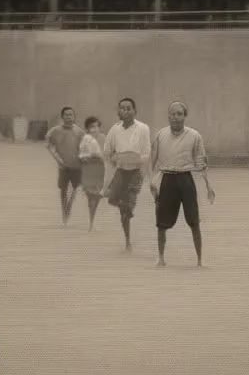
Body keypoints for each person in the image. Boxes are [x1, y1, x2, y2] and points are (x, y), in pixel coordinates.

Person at [150, 102, 215, 267]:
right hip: (166, 179)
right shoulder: (160, 135)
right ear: (168, 116)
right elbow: (153, 159)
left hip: (185, 179)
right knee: (161, 222)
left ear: (185, 116)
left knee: (194, 220)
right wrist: (152, 182)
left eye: (179, 114)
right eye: (172, 114)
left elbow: (201, 161)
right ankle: (161, 258)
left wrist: (208, 184)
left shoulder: (194, 136)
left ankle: (200, 260)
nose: (175, 117)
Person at [104, 97, 152, 252]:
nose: (125, 111)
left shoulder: (143, 128)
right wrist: (115, 158)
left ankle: (128, 241)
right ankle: (127, 232)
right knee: (114, 202)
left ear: (135, 111)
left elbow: (147, 152)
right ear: (119, 111)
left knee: (129, 201)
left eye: (129, 108)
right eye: (122, 108)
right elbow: (107, 151)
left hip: (136, 172)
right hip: (121, 171)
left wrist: (136, 158)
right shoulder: (114, 130)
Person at [46, 106, 85, 226]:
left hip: (76, 166)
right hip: (63, 166)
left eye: (71, 115)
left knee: (74, 189)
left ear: (74, 117)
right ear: (62, 117)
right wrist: (56, 158)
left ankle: (68, 207)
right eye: (67, 115)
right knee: (63, 190)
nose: (69, 117)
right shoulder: (55, 131)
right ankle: (64, 210)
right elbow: (49, 145)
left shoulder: (79, 132)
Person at [78, 116, 107, 232]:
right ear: (87, 129)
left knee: (98, 195)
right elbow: (82, 155)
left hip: (101, 169)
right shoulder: (86, 139)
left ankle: (94, 219)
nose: (95, 129)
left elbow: (108, 153)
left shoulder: (104, 138)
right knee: (91, 196)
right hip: (89, 169)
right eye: (92, 127)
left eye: (97, 126)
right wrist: (89, 157)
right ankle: (91, 222)